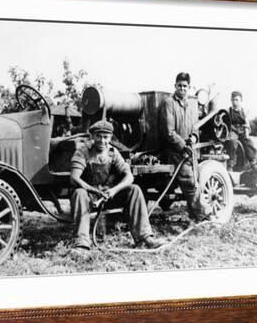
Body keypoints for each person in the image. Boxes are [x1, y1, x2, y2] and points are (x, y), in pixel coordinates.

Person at [70, 120, 159, 250]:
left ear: (110, 138)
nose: (102, 140)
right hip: (89, 198)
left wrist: (113, 191)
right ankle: (82, 242)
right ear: (92, 136)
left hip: (108, 196)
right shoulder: (83, 152)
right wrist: (93, 190)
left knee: (134, 190)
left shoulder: (113, 153)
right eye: (98, 136)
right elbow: (74, 177)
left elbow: (129, 176)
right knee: (79, 193)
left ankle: (144, 237)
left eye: (105, 137)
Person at [159, 72, 205, 221]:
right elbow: (168, 132)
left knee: (196, 182)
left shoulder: (193, 104)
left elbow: (196, 128)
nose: (182, 88)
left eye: (185, 86)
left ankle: (194, 216)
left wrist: (194, 137)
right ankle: (201, 217)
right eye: (180, 85)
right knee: (191, 184)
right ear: (175, 86)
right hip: (175, 152)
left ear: (189, 87)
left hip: (190, 150)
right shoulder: (169, 103)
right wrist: (182, 145)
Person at [225, 91, 257, 171]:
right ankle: (230, 165)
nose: (234, 102)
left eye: (236, 100)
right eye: (233, 100)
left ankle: (253, 163)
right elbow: (226, 124)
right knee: (232, 142)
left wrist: (247, 131)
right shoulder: (228, 111)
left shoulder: (244, 112)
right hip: (233, 131)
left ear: (241, 101)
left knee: (249, 142)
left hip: (242, 130)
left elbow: (247, 124)